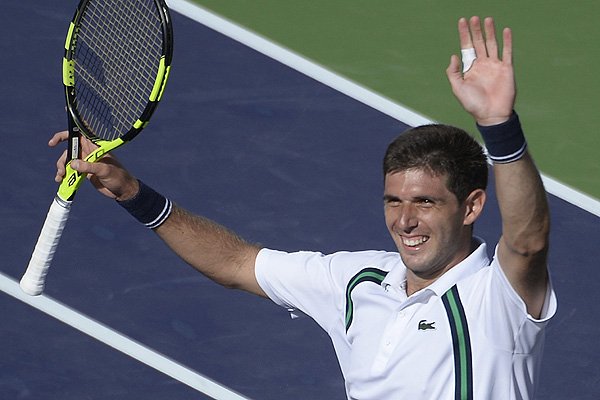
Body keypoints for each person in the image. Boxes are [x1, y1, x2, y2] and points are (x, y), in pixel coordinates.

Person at [51, 16, 556, 400]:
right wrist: (132, 192)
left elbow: (528, 242)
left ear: (471, 206)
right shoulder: (357, 282)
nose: (405, 221)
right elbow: (237, 264)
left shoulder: (497, 298)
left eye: (425, 203)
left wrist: (499, 126)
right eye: (394, 201)